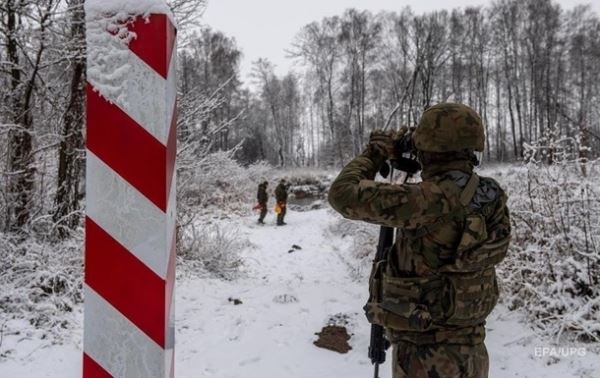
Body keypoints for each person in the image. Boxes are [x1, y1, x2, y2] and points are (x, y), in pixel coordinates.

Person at [328, 103, 511, 378]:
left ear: (429, 148)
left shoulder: (425, 201)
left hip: (425, 358)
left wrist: (374, 153)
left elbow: (342, 194)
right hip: (473, 352)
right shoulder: (491, 195)